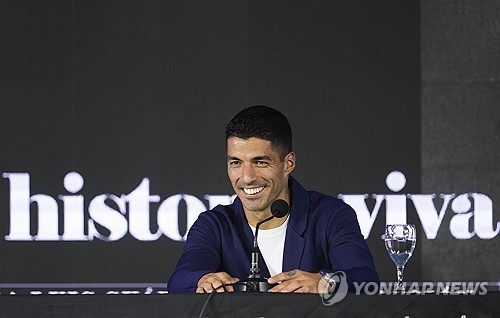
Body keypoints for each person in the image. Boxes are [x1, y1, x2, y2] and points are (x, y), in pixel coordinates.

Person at [167, 105, 379, 293]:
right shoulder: (214, 224)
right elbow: (179, 281)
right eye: (235, 163)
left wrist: (324, 282)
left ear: (288, 163)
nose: (247, 177)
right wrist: (202, 280)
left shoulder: (330, 215)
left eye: (260, 162)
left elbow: (366, 280)